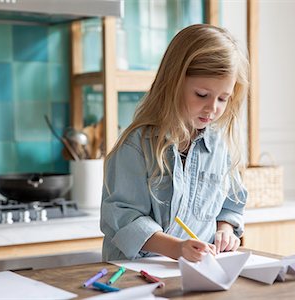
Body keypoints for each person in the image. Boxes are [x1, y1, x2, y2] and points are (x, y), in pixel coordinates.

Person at [100, 23, 249, 262]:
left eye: (223, 98)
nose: (212, 108)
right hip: (136, 274)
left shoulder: (219, 147)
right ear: (173, 83)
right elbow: (124, 218)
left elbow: (231, 204)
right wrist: (177, 248)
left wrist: (225, 230)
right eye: (202, 95)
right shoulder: (136, 146)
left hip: (195, 271)